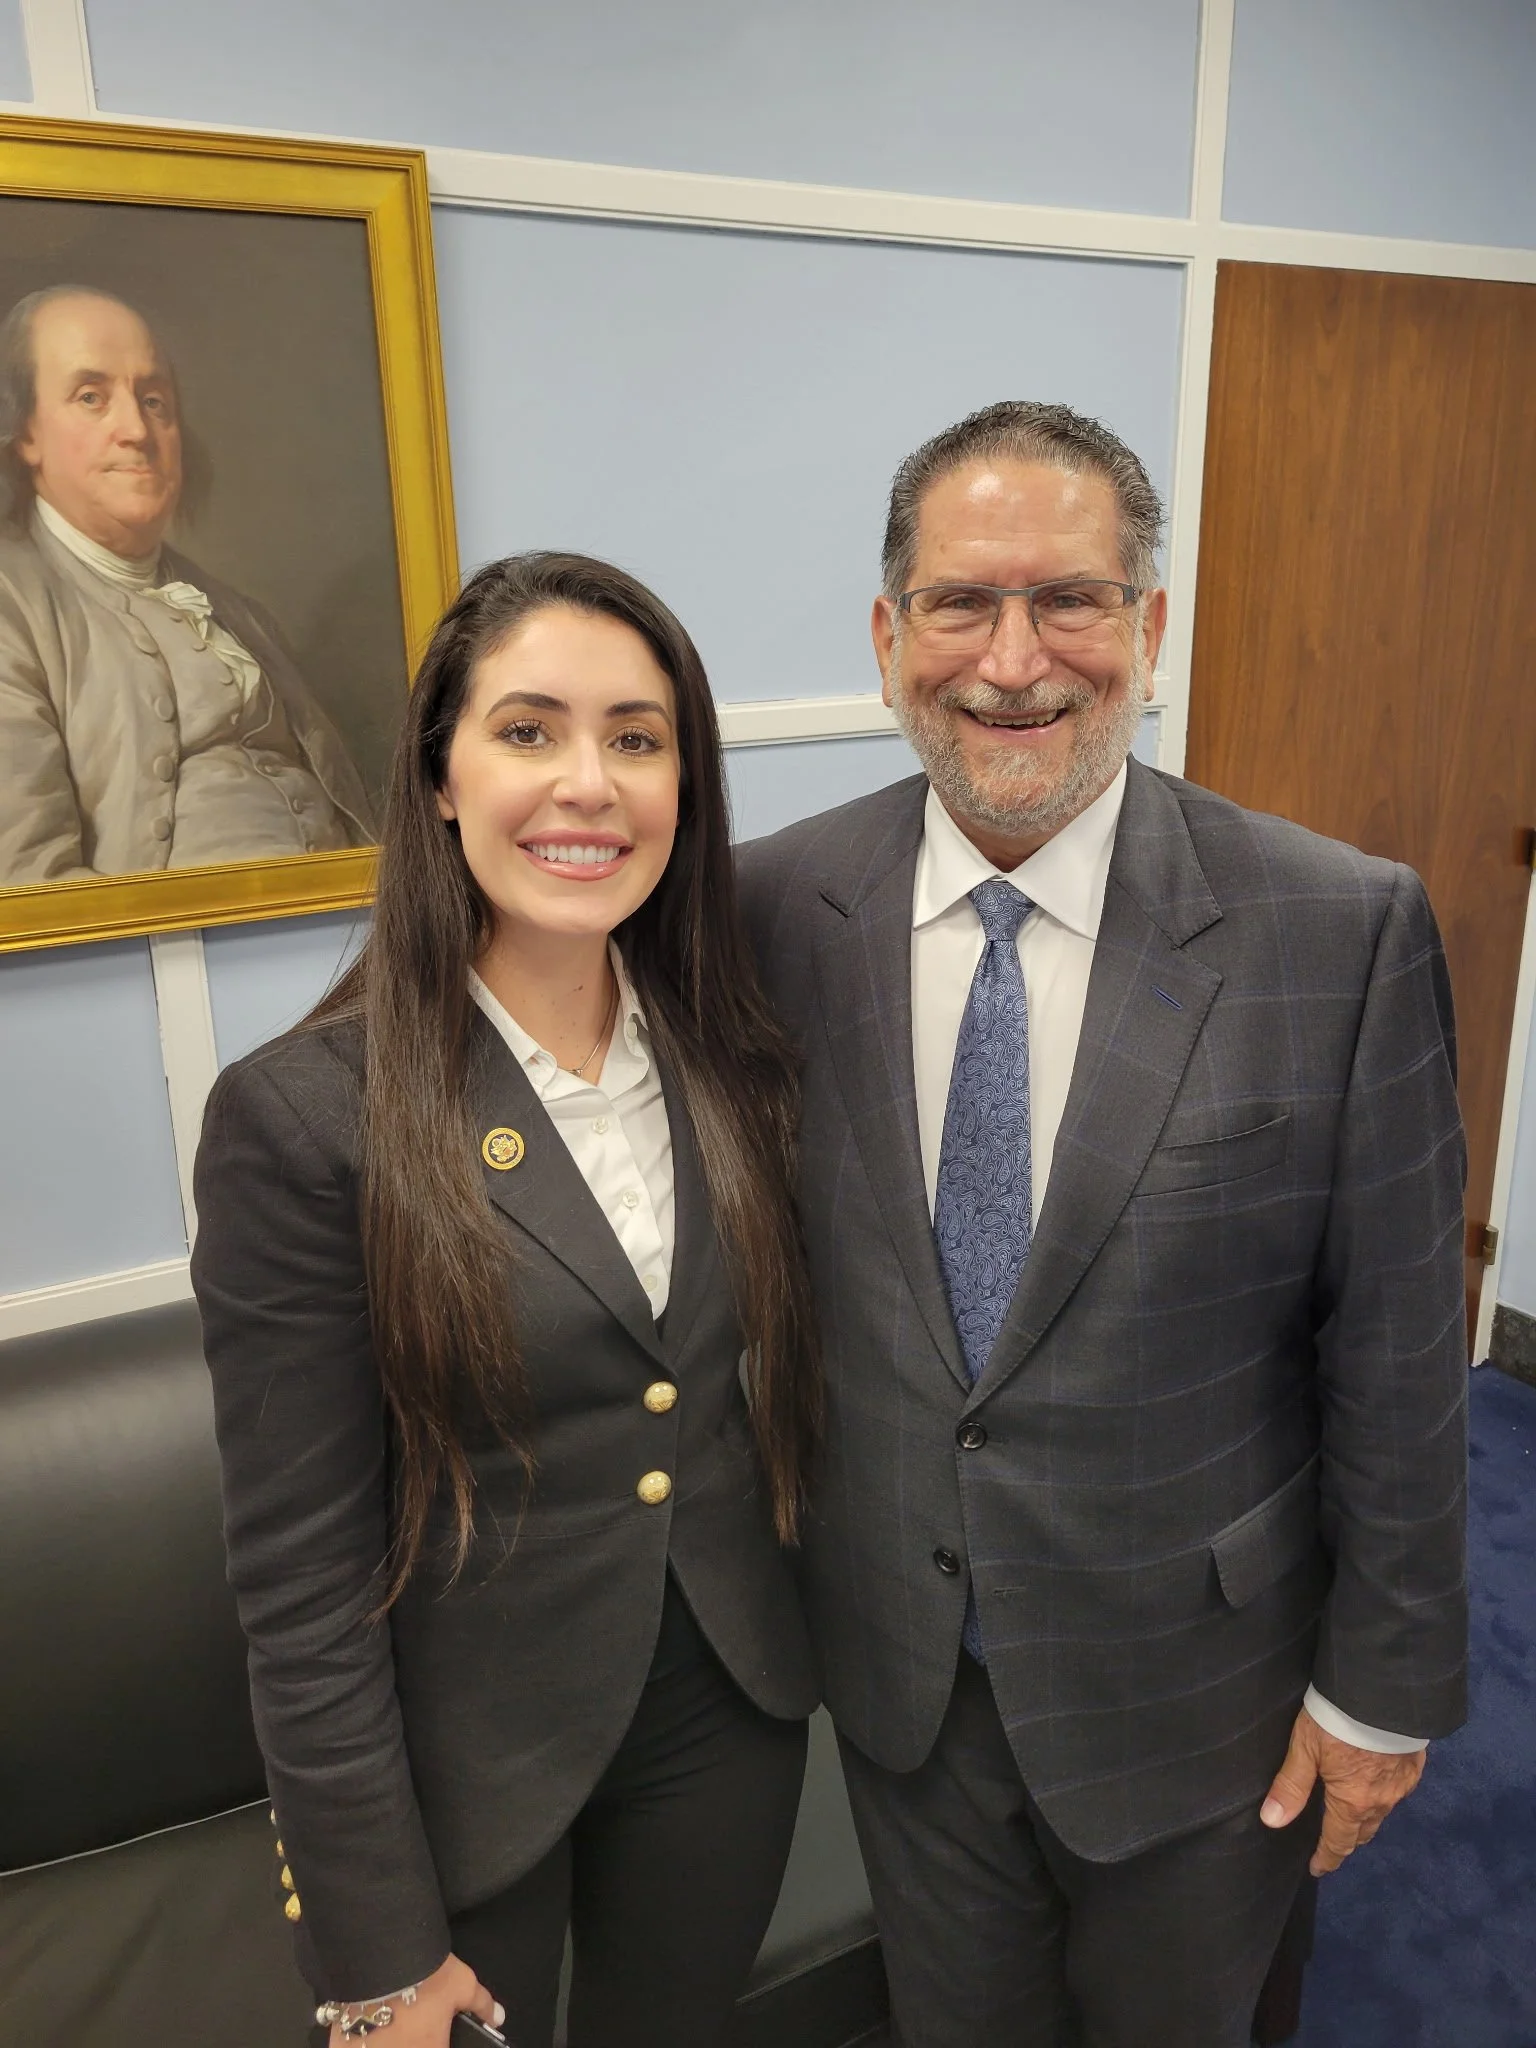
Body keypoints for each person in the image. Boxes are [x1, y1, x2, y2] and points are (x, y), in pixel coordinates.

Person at [736, 401, 1468, 2048]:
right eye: (959, 603)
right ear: (886, 635)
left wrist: (1381, 1692)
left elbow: (1404, 1345)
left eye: (1066, 598)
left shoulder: (1334, 925)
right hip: (905, 1683)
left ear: (1147, 626)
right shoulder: (772, 907)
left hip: (1202, 1698)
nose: (1011, 659)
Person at [191, 552, 821, 2048]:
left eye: (638, 737)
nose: (587, 785)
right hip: (465, 1763)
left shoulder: (737, 1055)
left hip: (724, 1708)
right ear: (440, 779)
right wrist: (373, 1955)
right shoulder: (304, 1116)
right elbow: (299, 1577)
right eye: (530, 731)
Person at [0, 284, 374, 882]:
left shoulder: (238, 612)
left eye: (153, 400)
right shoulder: (10, 612)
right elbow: (29, 885)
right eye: (91, 396)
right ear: (26, 434)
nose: (136, 431)